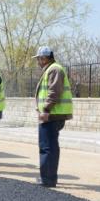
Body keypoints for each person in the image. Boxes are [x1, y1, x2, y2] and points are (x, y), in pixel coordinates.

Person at [33, 46, 73, 188]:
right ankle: (49, 177)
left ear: (45, 58)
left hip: (52, 115)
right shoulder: (52, 69)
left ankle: (48, 179)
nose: (38, 61)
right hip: (52, 114)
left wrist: (45, 110)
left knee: (47, 147)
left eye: (39, 58)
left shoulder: (54, 69)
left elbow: (54, 92)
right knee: (49, 146)